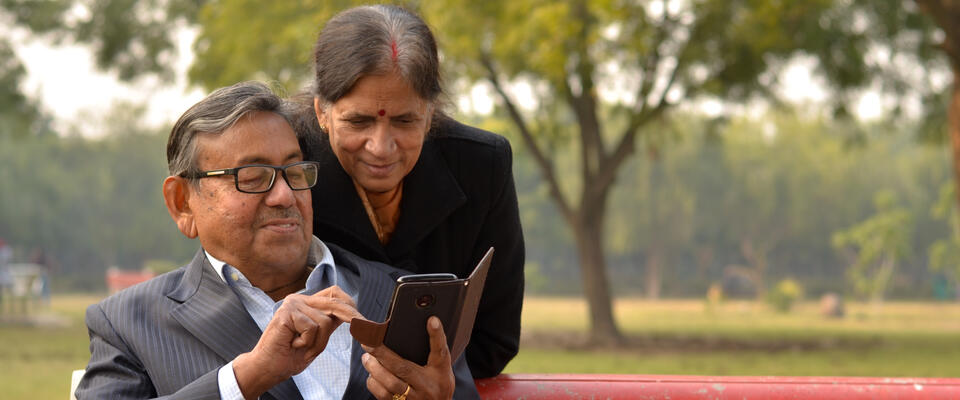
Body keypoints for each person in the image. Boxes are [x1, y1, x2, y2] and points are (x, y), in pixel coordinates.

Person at [75, 81, 478, 399]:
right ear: (182, 203)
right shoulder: (130, 323)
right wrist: (249, 376)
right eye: (252, 178)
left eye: (295, 172)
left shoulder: (403, 299)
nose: (285, 195)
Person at [298, 4, 525, 379]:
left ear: (430, 113)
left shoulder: (481, 166)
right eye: (359, 121)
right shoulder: (286, 166)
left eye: (405, 121)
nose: (381, 147)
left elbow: (494, 340)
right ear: (322, 111)